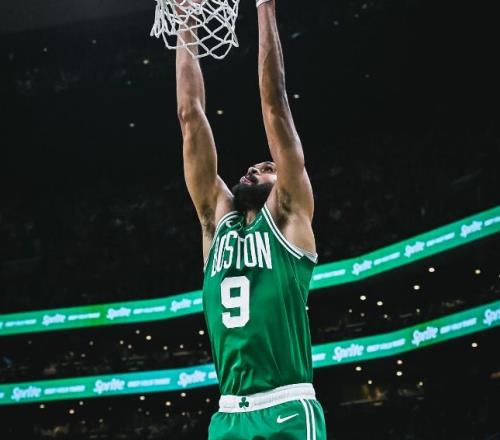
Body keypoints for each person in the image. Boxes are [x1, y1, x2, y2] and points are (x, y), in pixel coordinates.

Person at [176, 0, 327, 438]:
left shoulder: (289, 217)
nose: (254, 168)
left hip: (286, 405)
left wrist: (264, 7)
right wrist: (185, 21)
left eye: (267, 166)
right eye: (254, 166)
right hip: (228, 414)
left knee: (275, 112)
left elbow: (275, 106)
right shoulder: (215, 222)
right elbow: (190, 116)